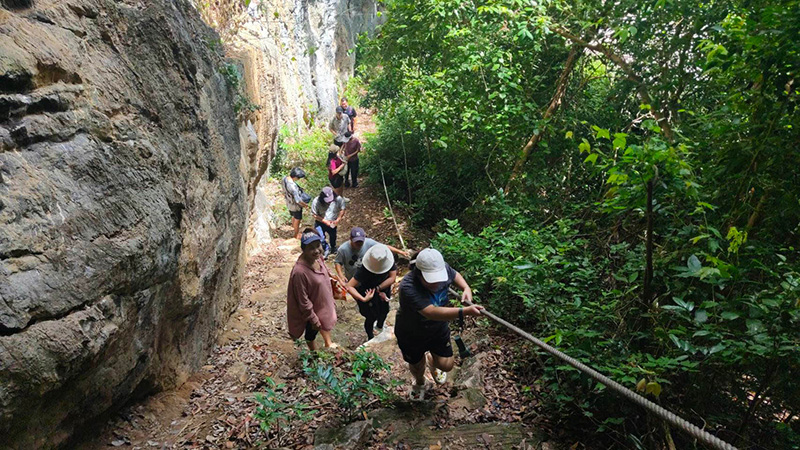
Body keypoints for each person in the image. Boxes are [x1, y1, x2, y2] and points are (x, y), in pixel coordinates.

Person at [394, 248, 484, 399]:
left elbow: (455, 274)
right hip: (411, 331)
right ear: (419, 273)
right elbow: (431, 312)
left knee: (447, 365)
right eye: (431, 279)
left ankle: (433, 361)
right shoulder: (408, 286)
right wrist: (464, 311)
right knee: (416, 364)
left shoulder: (442, 268)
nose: (436, 283)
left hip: (437, 329)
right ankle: (420, 382)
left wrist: (466, 287)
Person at [286, 229, 339, 350]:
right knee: (312, 332)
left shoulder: (318, 259)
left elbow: (324, 270)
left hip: (323, 302)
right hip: (313, 309)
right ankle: (314, 353)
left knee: (325, 323)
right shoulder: (299, 273)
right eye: (311, 248)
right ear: (303, 250)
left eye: (318, 246)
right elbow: (303, 301)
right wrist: (313, 318)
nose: (316, 251)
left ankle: (328, 342)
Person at [345, 244, 397, 340]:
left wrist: (379, 288)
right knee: (371, 317)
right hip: (368, 293)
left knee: (385, 311)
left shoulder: (387, 259)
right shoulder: (364, 270)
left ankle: (379, 326)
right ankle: (370, 336)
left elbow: (392, 277)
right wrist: (363, 299)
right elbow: (349, 286)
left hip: (383, 289)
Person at [334, 227, 409, 285]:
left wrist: (400, 252)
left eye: (361, 241)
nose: (359, 244)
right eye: (356, 242)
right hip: (352, 278)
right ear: (350, 239)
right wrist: (341, 275)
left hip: (367, 276)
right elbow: (338, 262)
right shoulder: (343, 249)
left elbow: (383, 247)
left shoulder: (369, 242)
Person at [311, 186, 346, 251]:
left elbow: (342, 209)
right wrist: (324, 221)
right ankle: (325, 248)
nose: (329, 202)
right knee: (320, 238)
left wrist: (338, 219)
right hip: (320, 222)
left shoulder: (338, 199)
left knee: (333, 236)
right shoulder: (316, 201)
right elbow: (314, 214)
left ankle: (333, 247)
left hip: (332, 222)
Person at [282, 167, 310, 239]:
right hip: (295, 205)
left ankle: (294, 230)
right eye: (298, 178)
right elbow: (298, 201)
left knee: (293, 216)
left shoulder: (285, 179)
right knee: (297, 219)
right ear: (295, 177)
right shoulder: (293, 187)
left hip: (289, 202)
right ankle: (296, 235)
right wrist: (305, 205)